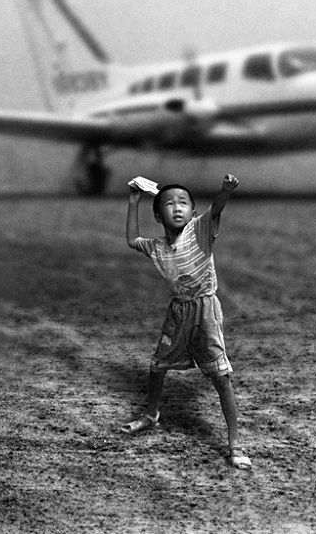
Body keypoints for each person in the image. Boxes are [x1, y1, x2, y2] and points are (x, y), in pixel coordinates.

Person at [121, 174, 251, 470]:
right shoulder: (156, 247)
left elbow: (215, 210)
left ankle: (235, 443)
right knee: (157, 366)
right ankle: (151, 414)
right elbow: (131, 239)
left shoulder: (200, 232)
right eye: (169, 203)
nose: (177, 208)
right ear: (158, 214)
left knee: (221, 378)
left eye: (183, 203)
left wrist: (225, 191)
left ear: (193, 213)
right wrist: (133, 201)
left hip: (205, 312)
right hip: (179, 312)